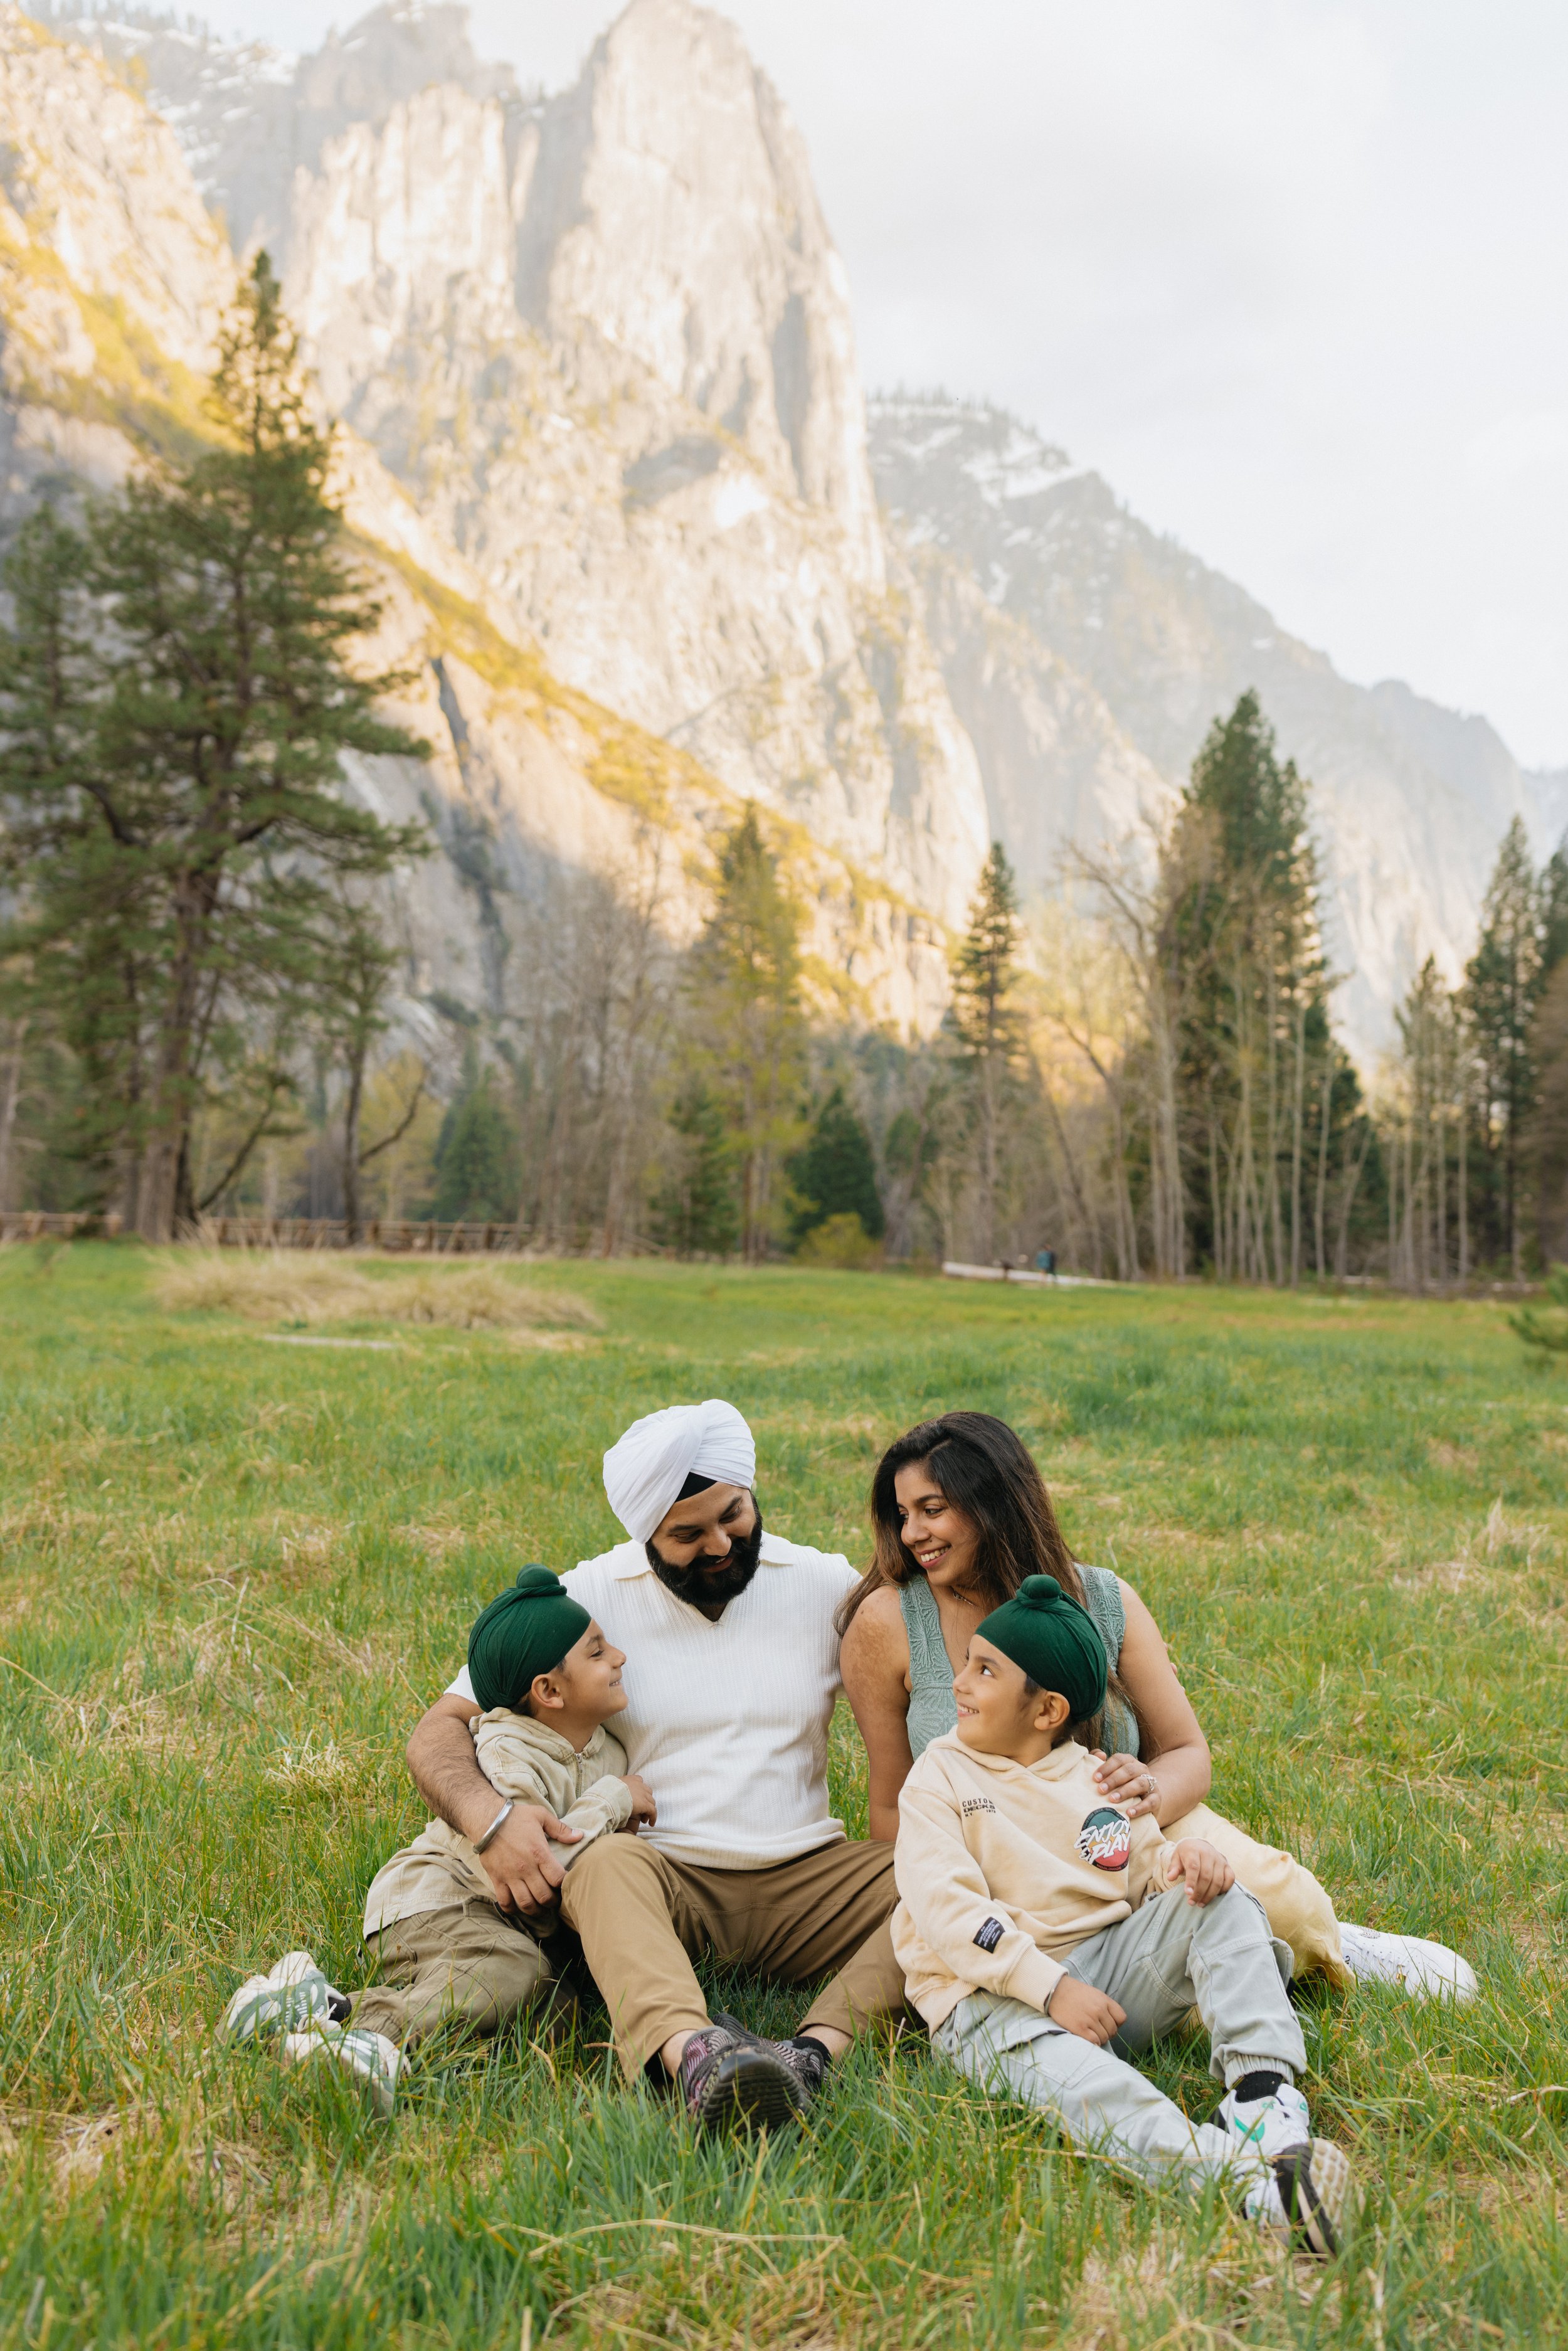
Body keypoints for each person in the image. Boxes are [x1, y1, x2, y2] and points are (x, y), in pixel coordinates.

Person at [842, 1412, 1475, 2000]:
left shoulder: (1103, 1598)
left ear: (996, 1506)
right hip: (996, 1856)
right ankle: (1223, 1964)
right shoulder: (889, 1621)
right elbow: (889, 1803)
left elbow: (1185, 1751)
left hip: (1129, 1835)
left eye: (932, 1509)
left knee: (1282, 1902)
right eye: (903, 1513)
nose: (912, 1533)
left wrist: (1148, 1791)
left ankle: (1327, 1941)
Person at [403, 1398, 908, 2131]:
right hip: (659, 1883)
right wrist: (493, 1821)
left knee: (946, 1873)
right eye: (686, 1533)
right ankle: (696, 2060)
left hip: (809, 1874)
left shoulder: (823, 1584)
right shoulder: (585, 1601)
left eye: (732, 1515)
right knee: (604, 1863)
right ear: (644, 1532)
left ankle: (810, 2054)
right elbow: (437, 1731)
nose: (719, 1543)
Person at [893, 1573, 1354, 2256]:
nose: (959, 1682)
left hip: (1103, 1975)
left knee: (1222, 1900)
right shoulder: (940, 1776)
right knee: (1093, 2090)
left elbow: (1145, 1869)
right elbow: (947, 1908)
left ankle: (1262, 2100)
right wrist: (1049, 1989)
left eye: (983, 1669)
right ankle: (1251, 2188)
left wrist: (1188, 1860)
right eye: (967, 1662)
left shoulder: (1094, 1778)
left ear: (1047, 1710)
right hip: (989, 2002)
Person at [221, 1568, 654, 2105]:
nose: (620, 1657)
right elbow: (536, 1867)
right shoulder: (507, 1752)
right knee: (513, 1973)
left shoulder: (606, 1750)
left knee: (556, 2013)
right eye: (597, 1652)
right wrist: (614, 1801)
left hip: (502, 1921)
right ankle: (371, 2045)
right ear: (548, 1690)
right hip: (439, 1900)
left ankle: (313, 2009)